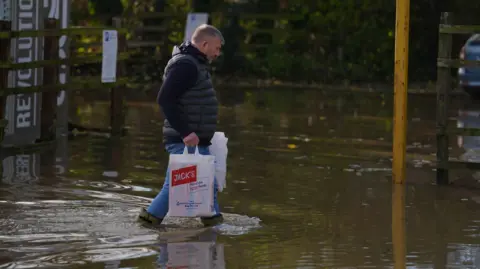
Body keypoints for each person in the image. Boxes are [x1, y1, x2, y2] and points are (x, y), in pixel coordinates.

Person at [138, 24, 225, 227]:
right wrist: (186, 132)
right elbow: (165, 99)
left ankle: (214, 228)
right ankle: (146, 224)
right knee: (175, 187)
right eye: (217, 48)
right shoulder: (186, 65)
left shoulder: (196, 64)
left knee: (208, 184)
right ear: (204, 44)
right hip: (185, 140)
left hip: (195, 140)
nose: (218, 53)